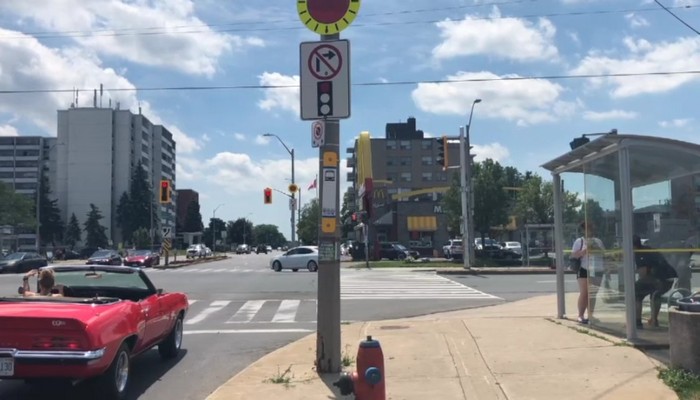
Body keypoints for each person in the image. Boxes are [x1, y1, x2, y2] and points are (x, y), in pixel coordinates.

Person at [634, 235, 677, 329]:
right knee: (655, 294)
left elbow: (643, 273)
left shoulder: (639, 254)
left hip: (660, 278)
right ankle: (654, 320)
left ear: (633, 246)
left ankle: (637, 322)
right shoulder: (646, 250)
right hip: (668, 277)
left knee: (636, 292)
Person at [571, 222, 605, 324]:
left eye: (591, 228)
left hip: (597, 268)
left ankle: (591, 314)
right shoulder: (579, 241)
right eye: (587, 229)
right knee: (584, 293)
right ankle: (580, 315)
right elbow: (574, 255)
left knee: (593, 293)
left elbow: (604, 254)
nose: (589, 231)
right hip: (584, 268)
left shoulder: (598, 241)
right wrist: (585, 250)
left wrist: (596, 248)